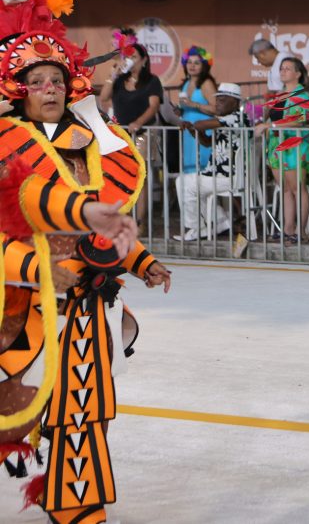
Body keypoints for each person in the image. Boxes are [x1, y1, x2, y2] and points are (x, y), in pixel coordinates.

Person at [0, 28, 171, 524]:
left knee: (80, 411)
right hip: (21, 306)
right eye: (38, 81)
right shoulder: (6, 147)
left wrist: (140, 260)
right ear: (19, 91)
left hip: (85, 309)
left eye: (57, 78)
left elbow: (103, 224)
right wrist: (40, 269)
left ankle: (75, 503)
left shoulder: (89, 146)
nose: (50, 88)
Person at [99, 33, 164, 231]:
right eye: (128, 57)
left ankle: (140, 221)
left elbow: (153, 106)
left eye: (134, 57)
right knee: (121, 177)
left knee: (141, 178)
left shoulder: (152, 81)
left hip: (143, 133)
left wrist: (139, 122)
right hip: (121, 134)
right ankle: (123, 217)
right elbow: (104, 98)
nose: (130, 61)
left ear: (144, 60)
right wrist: (113, 76)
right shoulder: (119, 80)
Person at [175, 83, 249, 241]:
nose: (218, 102)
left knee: (184, 183)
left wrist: (195, 125)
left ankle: (198, 227)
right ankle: (221, 222)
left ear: (236, 102)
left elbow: (202, 124)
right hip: (218, 175)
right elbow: (207, 142)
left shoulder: (238, 117)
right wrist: (192, 129)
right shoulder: (223, 120)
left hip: (231, 177)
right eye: (217, 99)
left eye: (223, 99)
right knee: (187, 184)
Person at [255, 57, 309, 245]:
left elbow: (300, 119)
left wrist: (270, 124)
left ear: (298, 73)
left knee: (298, 188)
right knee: (286, 189)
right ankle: (288, 228)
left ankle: (301, 230)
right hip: (276, 147)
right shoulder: (279, 96)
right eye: (281, 68)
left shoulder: (301, 95)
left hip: (294, 145)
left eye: (288, 68)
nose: (283, 71)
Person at [174, 45, 216, 173]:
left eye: (196, 63)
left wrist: (195, 105)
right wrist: (180, 111)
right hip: (189, 133)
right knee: (190, 167)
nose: (192, 66)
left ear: (204, 66)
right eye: (189, 62)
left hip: (203, 131)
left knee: (202, 168)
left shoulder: (206, 83)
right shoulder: (186, 83)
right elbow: (187, 107)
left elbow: (216, 109)